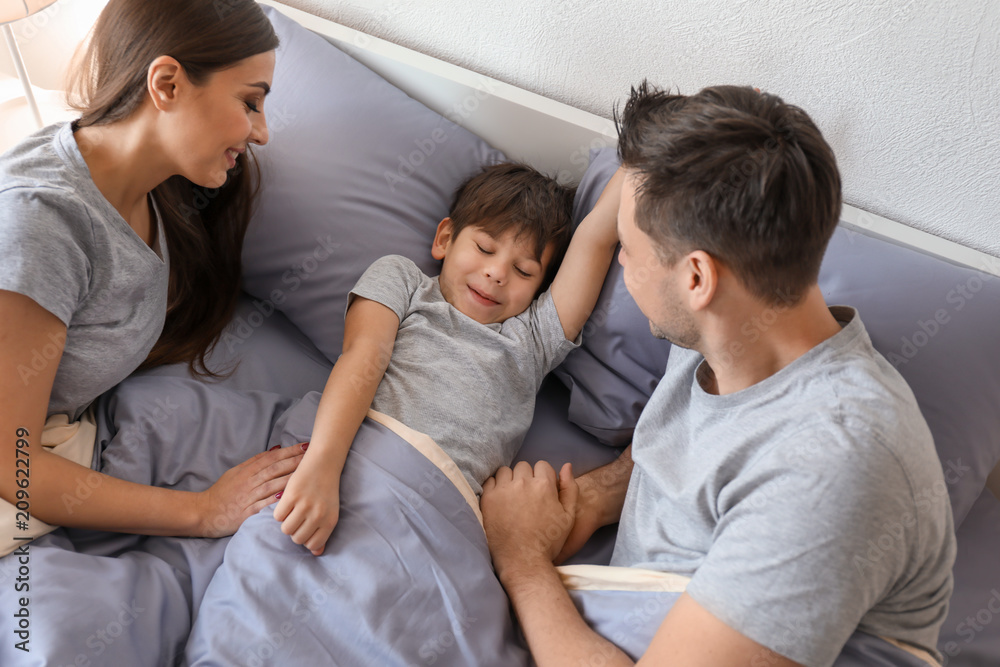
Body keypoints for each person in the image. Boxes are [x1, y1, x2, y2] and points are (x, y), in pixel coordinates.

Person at [480, 83, 956, 667]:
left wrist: (522, 561)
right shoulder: (730, 323)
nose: (620, 262)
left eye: (627, 249)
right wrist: (590, 501)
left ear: (697, 279)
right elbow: (694, 447)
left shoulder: (834, 464)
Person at [0, 0, 304, 555]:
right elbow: (11, 468)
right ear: (166, 84)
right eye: (250, 102)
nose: (261, 132)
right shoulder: (42, 226)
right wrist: (206, 511)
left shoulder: (159, 187)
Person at [273, 162, 624, 556]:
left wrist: (642, 158)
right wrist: (322, 466)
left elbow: (596, 237)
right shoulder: (403, 280)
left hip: (438, 511)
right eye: (484, 248)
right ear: (445, 238)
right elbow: (362, 357)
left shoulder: (533, 338)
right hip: (348, 452)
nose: (496, 273)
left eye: (524, 271)